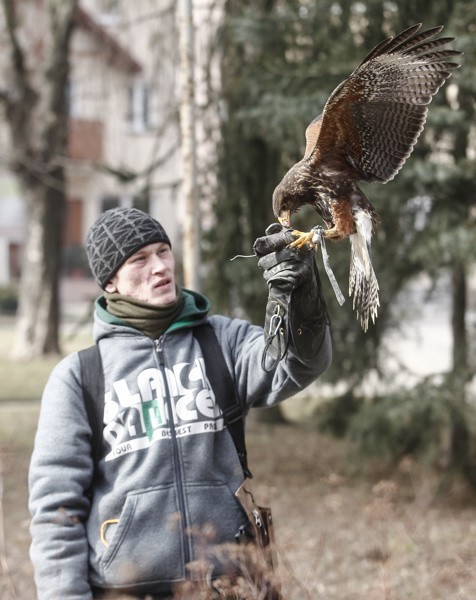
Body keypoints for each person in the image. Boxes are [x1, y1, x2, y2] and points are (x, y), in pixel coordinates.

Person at [28, 207, 332, 599]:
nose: (159, 267)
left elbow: (299, 364)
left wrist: (302, 300)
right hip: (127, 590)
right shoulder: (80, 377)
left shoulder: (222, 341)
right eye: (139, 259)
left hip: (228, 585)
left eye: (162, 251)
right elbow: (57, 509)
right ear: (110, 282)